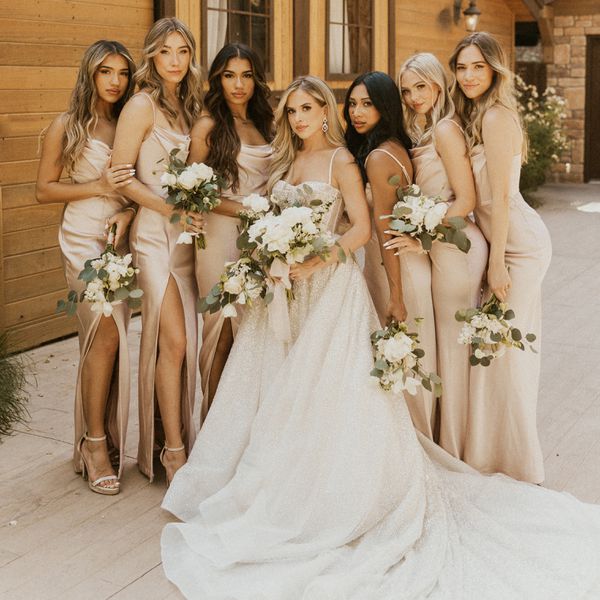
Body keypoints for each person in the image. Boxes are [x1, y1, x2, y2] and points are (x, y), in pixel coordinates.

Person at [159, 76, 600, 600]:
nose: (299, 118)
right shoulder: (284, 162)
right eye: (291, 110)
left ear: (325, 112)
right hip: (287, 290)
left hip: (329, 290)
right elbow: (269, 214)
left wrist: (321, 255)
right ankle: (270, 483)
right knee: (277, 389)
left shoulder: (343, 161)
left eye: (308, 108)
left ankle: (328, 495)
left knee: (324, 391)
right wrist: (271, 252)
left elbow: (362, 229)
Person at [449, 32, 552, 483]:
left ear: (494, 69)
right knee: (493, 351)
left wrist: (495, 263)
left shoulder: (495, 116)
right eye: (462, 67)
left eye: (478, 66)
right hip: (501, 241)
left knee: (505, 353)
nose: (469, 75)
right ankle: (489, 455)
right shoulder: (474, 115)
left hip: (519, 246)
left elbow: (502, 199)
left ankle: (516, 463)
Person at [36, 40, 136, 494]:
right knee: (104, 334)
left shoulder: (130, 122)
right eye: (105, 72)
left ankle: (97, 437)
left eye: (121, 72)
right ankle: (95, 444)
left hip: (121, 237)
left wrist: (129, 214)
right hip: (81, 238)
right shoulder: (68, 125)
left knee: (106, 341)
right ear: (90, 75)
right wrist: (97, 185)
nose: (114, 81)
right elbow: (44, 190)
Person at [111, 17, 203, 484]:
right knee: (176, 341)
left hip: (188, 239)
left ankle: (182, 433)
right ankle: (172, 451)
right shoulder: (141, 106)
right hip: (154, 237)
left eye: (183, 52)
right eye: (166, 51)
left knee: (188, 342)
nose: (174, 61)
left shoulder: (190, 106)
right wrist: (165, 209)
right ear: (152, 55)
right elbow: (121, 175)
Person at [391, 53, 488, 460]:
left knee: (453, 348)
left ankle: (459, 447)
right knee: (445, 347)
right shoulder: (423, 130)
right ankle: (447, 439)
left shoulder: (446, 130)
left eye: (422, 87)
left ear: (438, 86)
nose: (415, 97)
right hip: (440, 243)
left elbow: (465, 200)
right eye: (407, 89)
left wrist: (420, 234)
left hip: (456, 245)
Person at [344, 71, 436, 440]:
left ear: (385, 107)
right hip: (397, 265)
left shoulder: (378, 159)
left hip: (392, 270)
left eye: (367, 104)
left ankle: (412, 443)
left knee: (400, 359)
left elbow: (385, 232)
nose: (357, 112)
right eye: (352, 103)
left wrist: (396, 296)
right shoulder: (395, 144)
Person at [189, 43, 273, 419]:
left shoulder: (267, 122)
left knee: (254, 335)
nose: (238, 84)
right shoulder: (208, 125)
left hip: (261, 240)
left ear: (257, 79)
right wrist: (247, 209)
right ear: (216, 79)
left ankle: (244, 426)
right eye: (229, 75)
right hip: (220, 236)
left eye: (246, 75)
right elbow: (193, 192)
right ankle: (211, 426)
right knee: (220, 330)